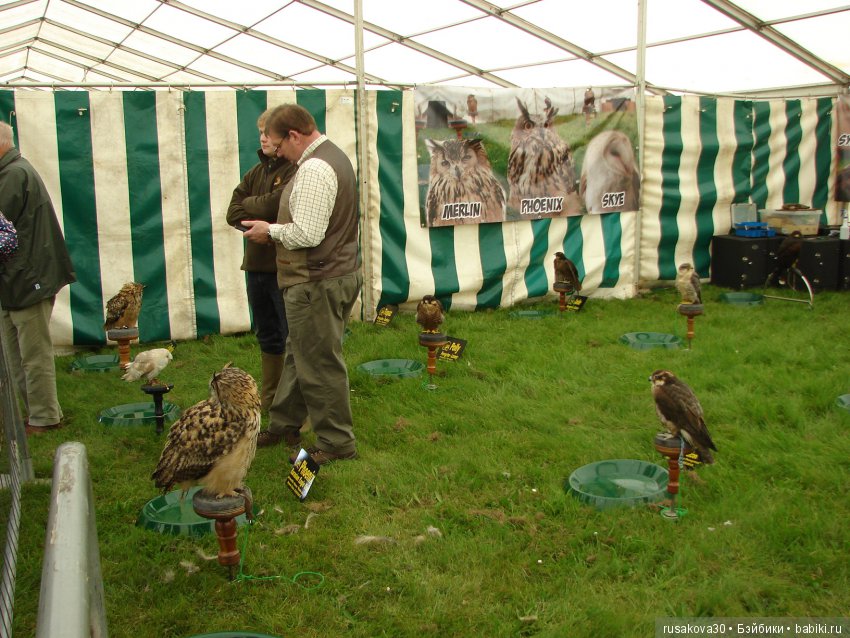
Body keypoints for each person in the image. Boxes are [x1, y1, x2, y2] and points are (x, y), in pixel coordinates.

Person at [242, 104, 361, 466]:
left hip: (316, 281)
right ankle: (284, 424)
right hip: (329, 275)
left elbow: (308, 233)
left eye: (279, 146)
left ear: (294, 135)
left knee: (320, 363)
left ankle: (337, 442)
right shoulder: (334, 156)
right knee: (299, 354)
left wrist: (269, 231)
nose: (278, 154)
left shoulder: (314, 168)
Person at [0, 121, 76, 435]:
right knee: (16, 353)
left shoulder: (13, 175)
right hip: (18, 278)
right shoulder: (12, 171)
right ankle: (36, 414)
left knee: (33, 355)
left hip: (28, 277)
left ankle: (45, 417)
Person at [226, 108, 297, 413]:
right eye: (260, 133)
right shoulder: (256, 172)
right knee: (267, 336)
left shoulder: (295, 169)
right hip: (255, 268)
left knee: (292, 338)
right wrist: (259, 210)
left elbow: (279, 204)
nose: (263, 139)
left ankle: (296, 406)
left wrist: (253, 206)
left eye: (268, 133)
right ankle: (270, 403)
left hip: (283, 268)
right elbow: (233, 212)